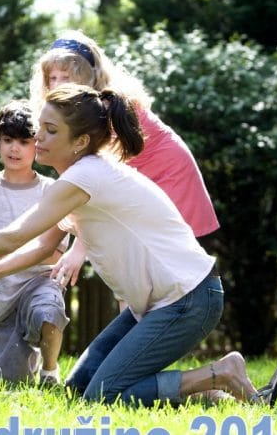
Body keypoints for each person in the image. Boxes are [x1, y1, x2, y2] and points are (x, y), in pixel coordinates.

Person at [0, 83, 277, 407]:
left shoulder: (87, 176)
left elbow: (12, 235)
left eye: (50, 131)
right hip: (158, 304)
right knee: (77, 393)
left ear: (80, 140)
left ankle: (221, 372)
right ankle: (218, 394)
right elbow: (38, 247)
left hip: (189, 299)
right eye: (41, 128)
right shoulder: (78, 177)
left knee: (106, 394)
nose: (39, 138)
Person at [29, 30, 219, 293]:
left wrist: (78, 249)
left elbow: (97, 182)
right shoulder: (75, 114)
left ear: (87, 77)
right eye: (53, 78)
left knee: (159, 277)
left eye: (67, 77)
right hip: (139, 185)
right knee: (135, 276)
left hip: (168, 178)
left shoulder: (105, 109)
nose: (59, 85)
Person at [0, 100, 68, 385]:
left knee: (49, 312)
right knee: (6, 385)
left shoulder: (52, 190)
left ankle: (50, 370)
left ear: (37, 146)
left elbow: (55, 254)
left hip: (39, 282)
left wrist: (14, 259)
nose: (14, 148)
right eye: (7, 140)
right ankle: (19, 366)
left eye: (24, 141)